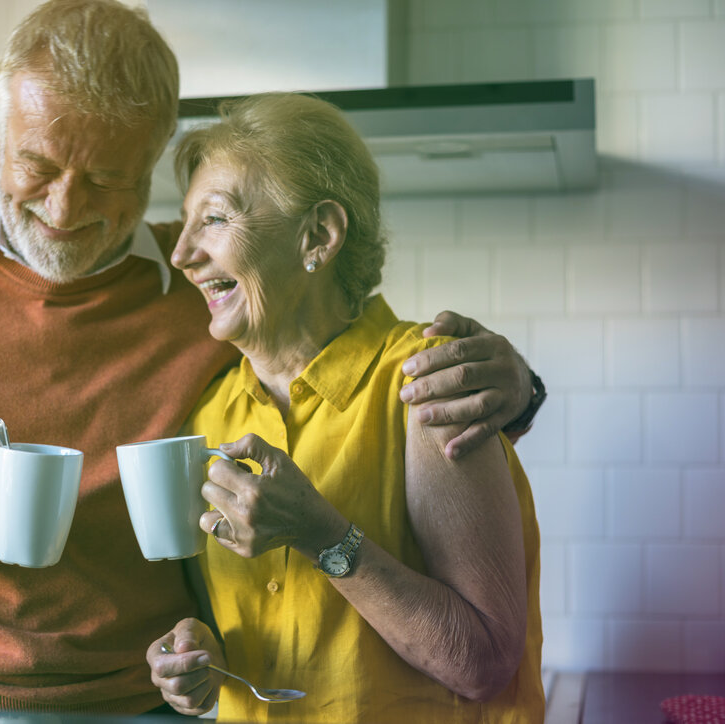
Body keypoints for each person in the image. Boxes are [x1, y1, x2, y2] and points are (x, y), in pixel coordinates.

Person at [0, 0, 542, 715]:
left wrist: (520, 388)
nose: (66, 207)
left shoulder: (206, 301)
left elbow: (349, 358)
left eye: (108, 178)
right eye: (38, 166)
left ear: (151, 164)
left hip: (134, 702)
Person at [146, 92, 545, 723]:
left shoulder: (425, 384)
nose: (183, 253)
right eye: (186, 221)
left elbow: (484, 662)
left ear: (318, 236)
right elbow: (231, 630)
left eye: (216, 220)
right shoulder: (208, 416)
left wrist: (321, 535)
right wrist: (193, 660)